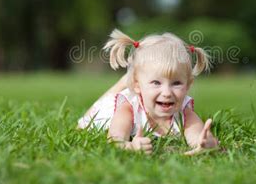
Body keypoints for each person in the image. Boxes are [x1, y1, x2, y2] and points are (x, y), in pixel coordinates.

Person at [78, 29, 218, 155]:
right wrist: (131, 146)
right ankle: (123, 82)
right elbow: (115, 140)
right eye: (156, 83)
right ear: (136, 85)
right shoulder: (127, 108)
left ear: (188, 85)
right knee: (84, 124)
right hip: (108, 111)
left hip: (138, 86)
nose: (167, 92)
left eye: (176, 83)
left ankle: (135, 80)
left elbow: (196, 136)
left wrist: (205, 143)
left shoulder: (184, 111)